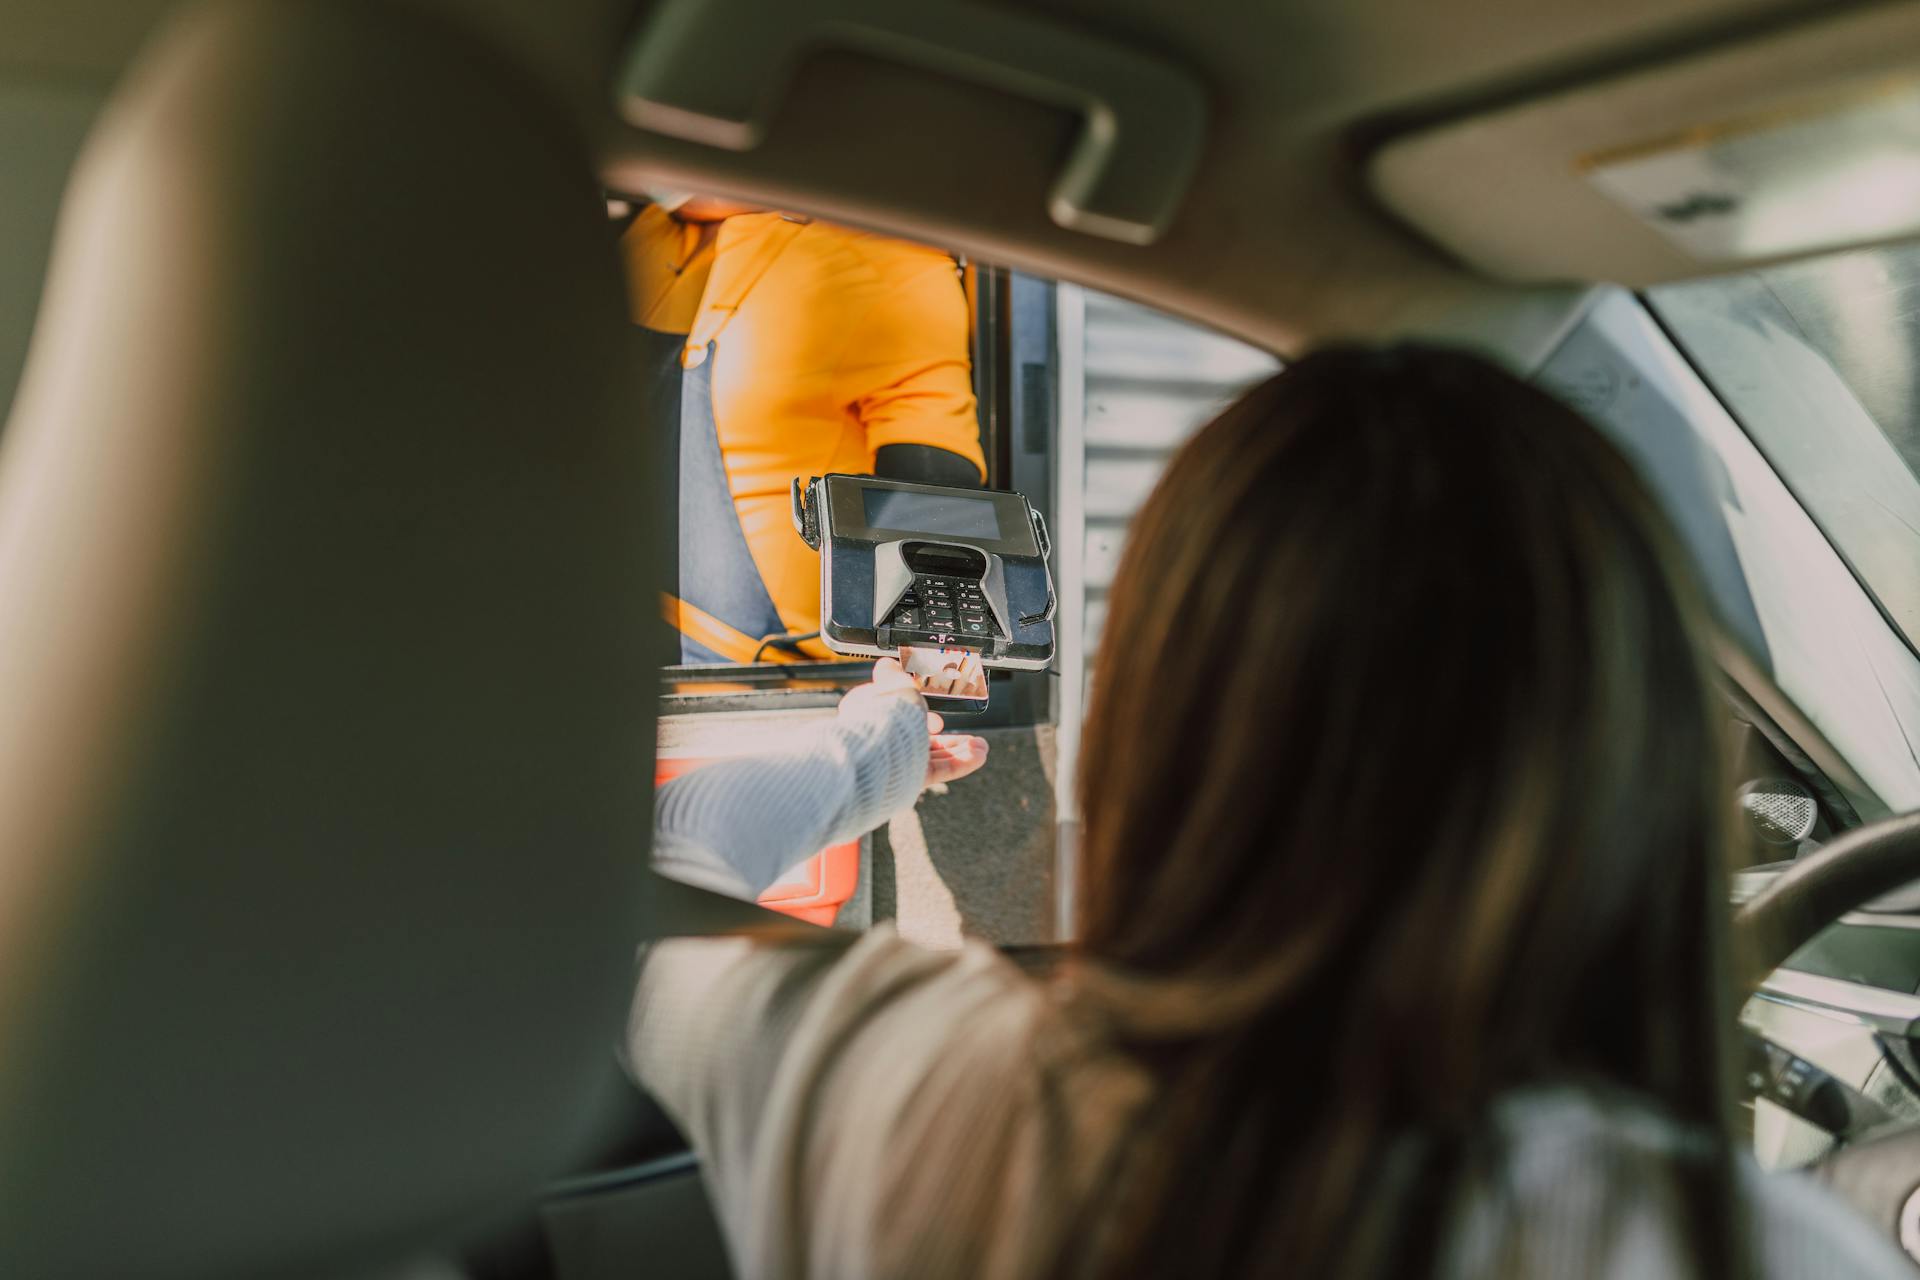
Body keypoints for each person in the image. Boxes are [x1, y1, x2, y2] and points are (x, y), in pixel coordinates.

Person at [627, 346, 1915, 1278]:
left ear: (1154, 723)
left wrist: (880, 738)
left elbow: (649, 881)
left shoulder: (893, 1082)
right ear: (1640, 759)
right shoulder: (1721, 1242)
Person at [622, 196, 987, 665]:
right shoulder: (646, 234)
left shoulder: (888, 267)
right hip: (616, 649)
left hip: (769, 689)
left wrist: (925, 679)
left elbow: (939, 507)